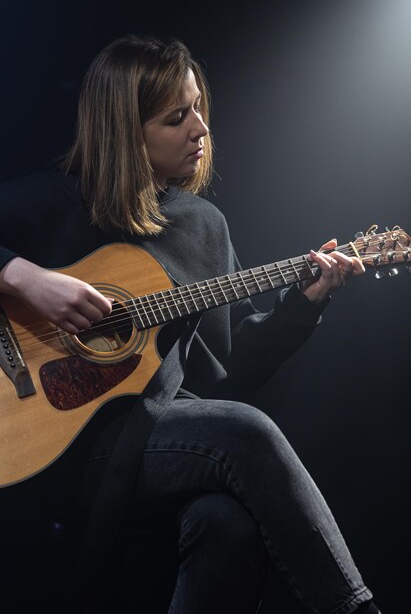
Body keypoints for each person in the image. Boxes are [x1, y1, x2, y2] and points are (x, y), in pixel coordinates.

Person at [0, 34, 382, 614]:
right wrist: (23, 277)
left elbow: (231, 371)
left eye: (198, 107)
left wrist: (303, 304)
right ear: (126, 130)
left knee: (225, 523)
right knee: (247, 434)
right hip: (63, 451)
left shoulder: (203, 225)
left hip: (155, 441)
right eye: (177, 116)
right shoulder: (53, 202)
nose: (200, 128)